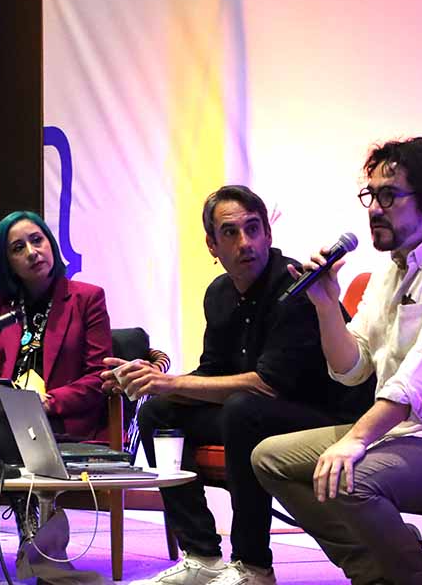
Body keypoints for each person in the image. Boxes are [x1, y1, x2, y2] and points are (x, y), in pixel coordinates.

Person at [251, 137, 422, 585]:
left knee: (352, 478)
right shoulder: (388, 271)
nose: (374, 208)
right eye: (370, 194)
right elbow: (351, 367)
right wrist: (324, 303)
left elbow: (417, 384)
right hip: (404, 434)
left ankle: (418, 577)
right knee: (268, 458)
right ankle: (374, 570)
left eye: (389, 195)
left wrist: (354, 442)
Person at [103, 185, 373, 585]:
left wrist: (170, 381)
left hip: (326, 416)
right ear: (212, 245)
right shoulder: (219, 293)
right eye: (230, 233)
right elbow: (212, 371)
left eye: (253, 229)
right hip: (258, 413)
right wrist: (148, 381)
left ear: (268, 233)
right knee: (161, 412)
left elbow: (268, 385)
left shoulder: (295, 286)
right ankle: (201, 556)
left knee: (242, 409)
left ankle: (253, 565)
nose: (245, 243)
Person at [0, 210, 112, 585]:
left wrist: (49, 401)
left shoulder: (87, 299)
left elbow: (98, 375)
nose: (33, 251)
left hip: (57, 417)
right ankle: (29, 537)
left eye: (38, 240)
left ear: (51, 243)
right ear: (7, 261)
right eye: (19, 247)